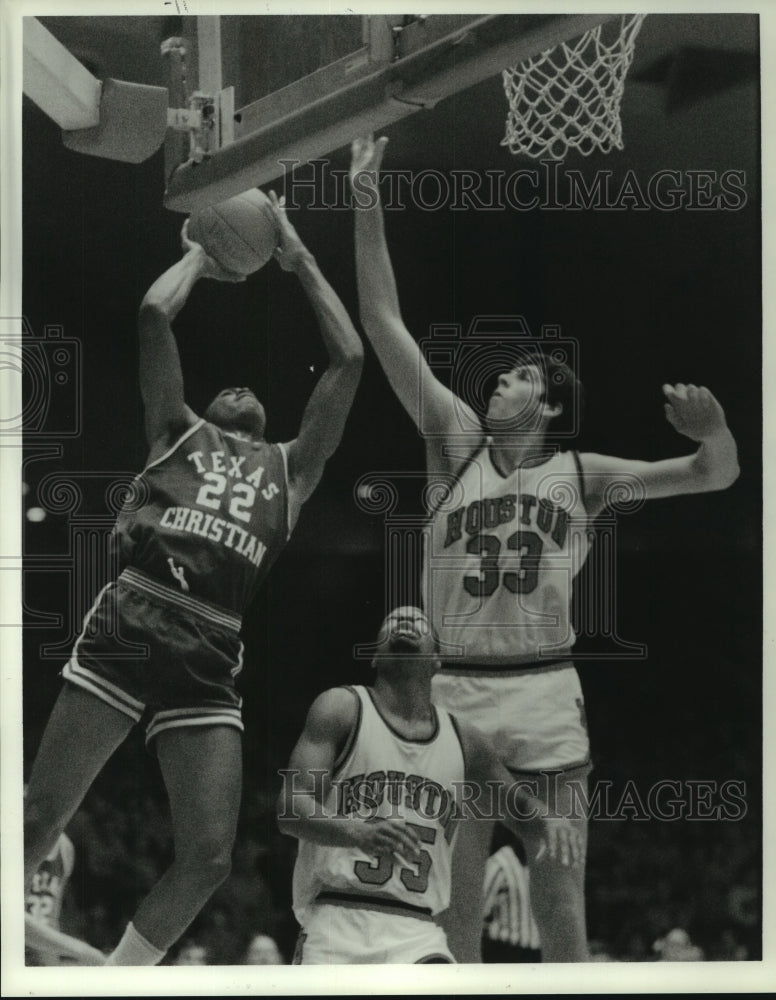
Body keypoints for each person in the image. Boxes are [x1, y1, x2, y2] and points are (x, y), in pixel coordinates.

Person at [350, 134, 740, 962]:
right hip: (453, 691)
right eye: (497, 377)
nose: (498, 382)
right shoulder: (453, 443)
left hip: (543, 691)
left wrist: (716, 432)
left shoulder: (582, 473)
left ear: (550, 403)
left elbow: (714, 477)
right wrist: (364, 197)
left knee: (558, 890)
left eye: (520, 377)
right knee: (452, 902)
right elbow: (382, 321)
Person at [23, 191, 364, 966]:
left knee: (210, 856)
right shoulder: (174, 431)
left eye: (253, 392)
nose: (240, 387)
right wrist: (202, 258)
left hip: (209, 654)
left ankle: (115, 980)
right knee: (42, 813)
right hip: (135, 621)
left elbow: (348, 360)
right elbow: (153, 314)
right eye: (228, 388)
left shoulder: (292, 469)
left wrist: (299, 257)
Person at [277, 605, 583, 965]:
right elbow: (290, 810)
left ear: (437, 660)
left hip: (418, 932)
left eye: (418, 623)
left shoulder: (465, 739)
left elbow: (521, 812)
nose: (405, 621)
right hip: (336, 918)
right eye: (392, 621)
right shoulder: (341, 708)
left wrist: (548, 820)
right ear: (375, 656)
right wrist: (357, 832)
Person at [25, 828, 105, 966]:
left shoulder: (65, 848)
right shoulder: (13, 839)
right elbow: (9, 920)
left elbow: (51, 918)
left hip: (40, 950)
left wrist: (52, 965)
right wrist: (83, 950)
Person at [481, 826, 541, 963]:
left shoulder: (543, 865)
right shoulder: (500, 863)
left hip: (535, 954)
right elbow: (478, 913)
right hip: (505, 951)